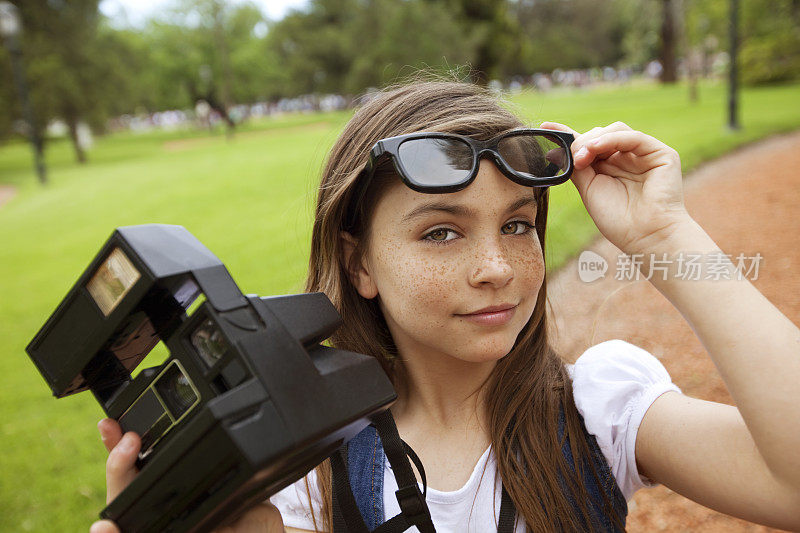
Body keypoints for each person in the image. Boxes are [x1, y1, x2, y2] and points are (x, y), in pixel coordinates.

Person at [91, 79, 800, 533]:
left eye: (518, 223)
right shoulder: (308, 472)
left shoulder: (600, 408)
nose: (496, 269)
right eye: (440, 231)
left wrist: (664, 233)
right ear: (359, 261)